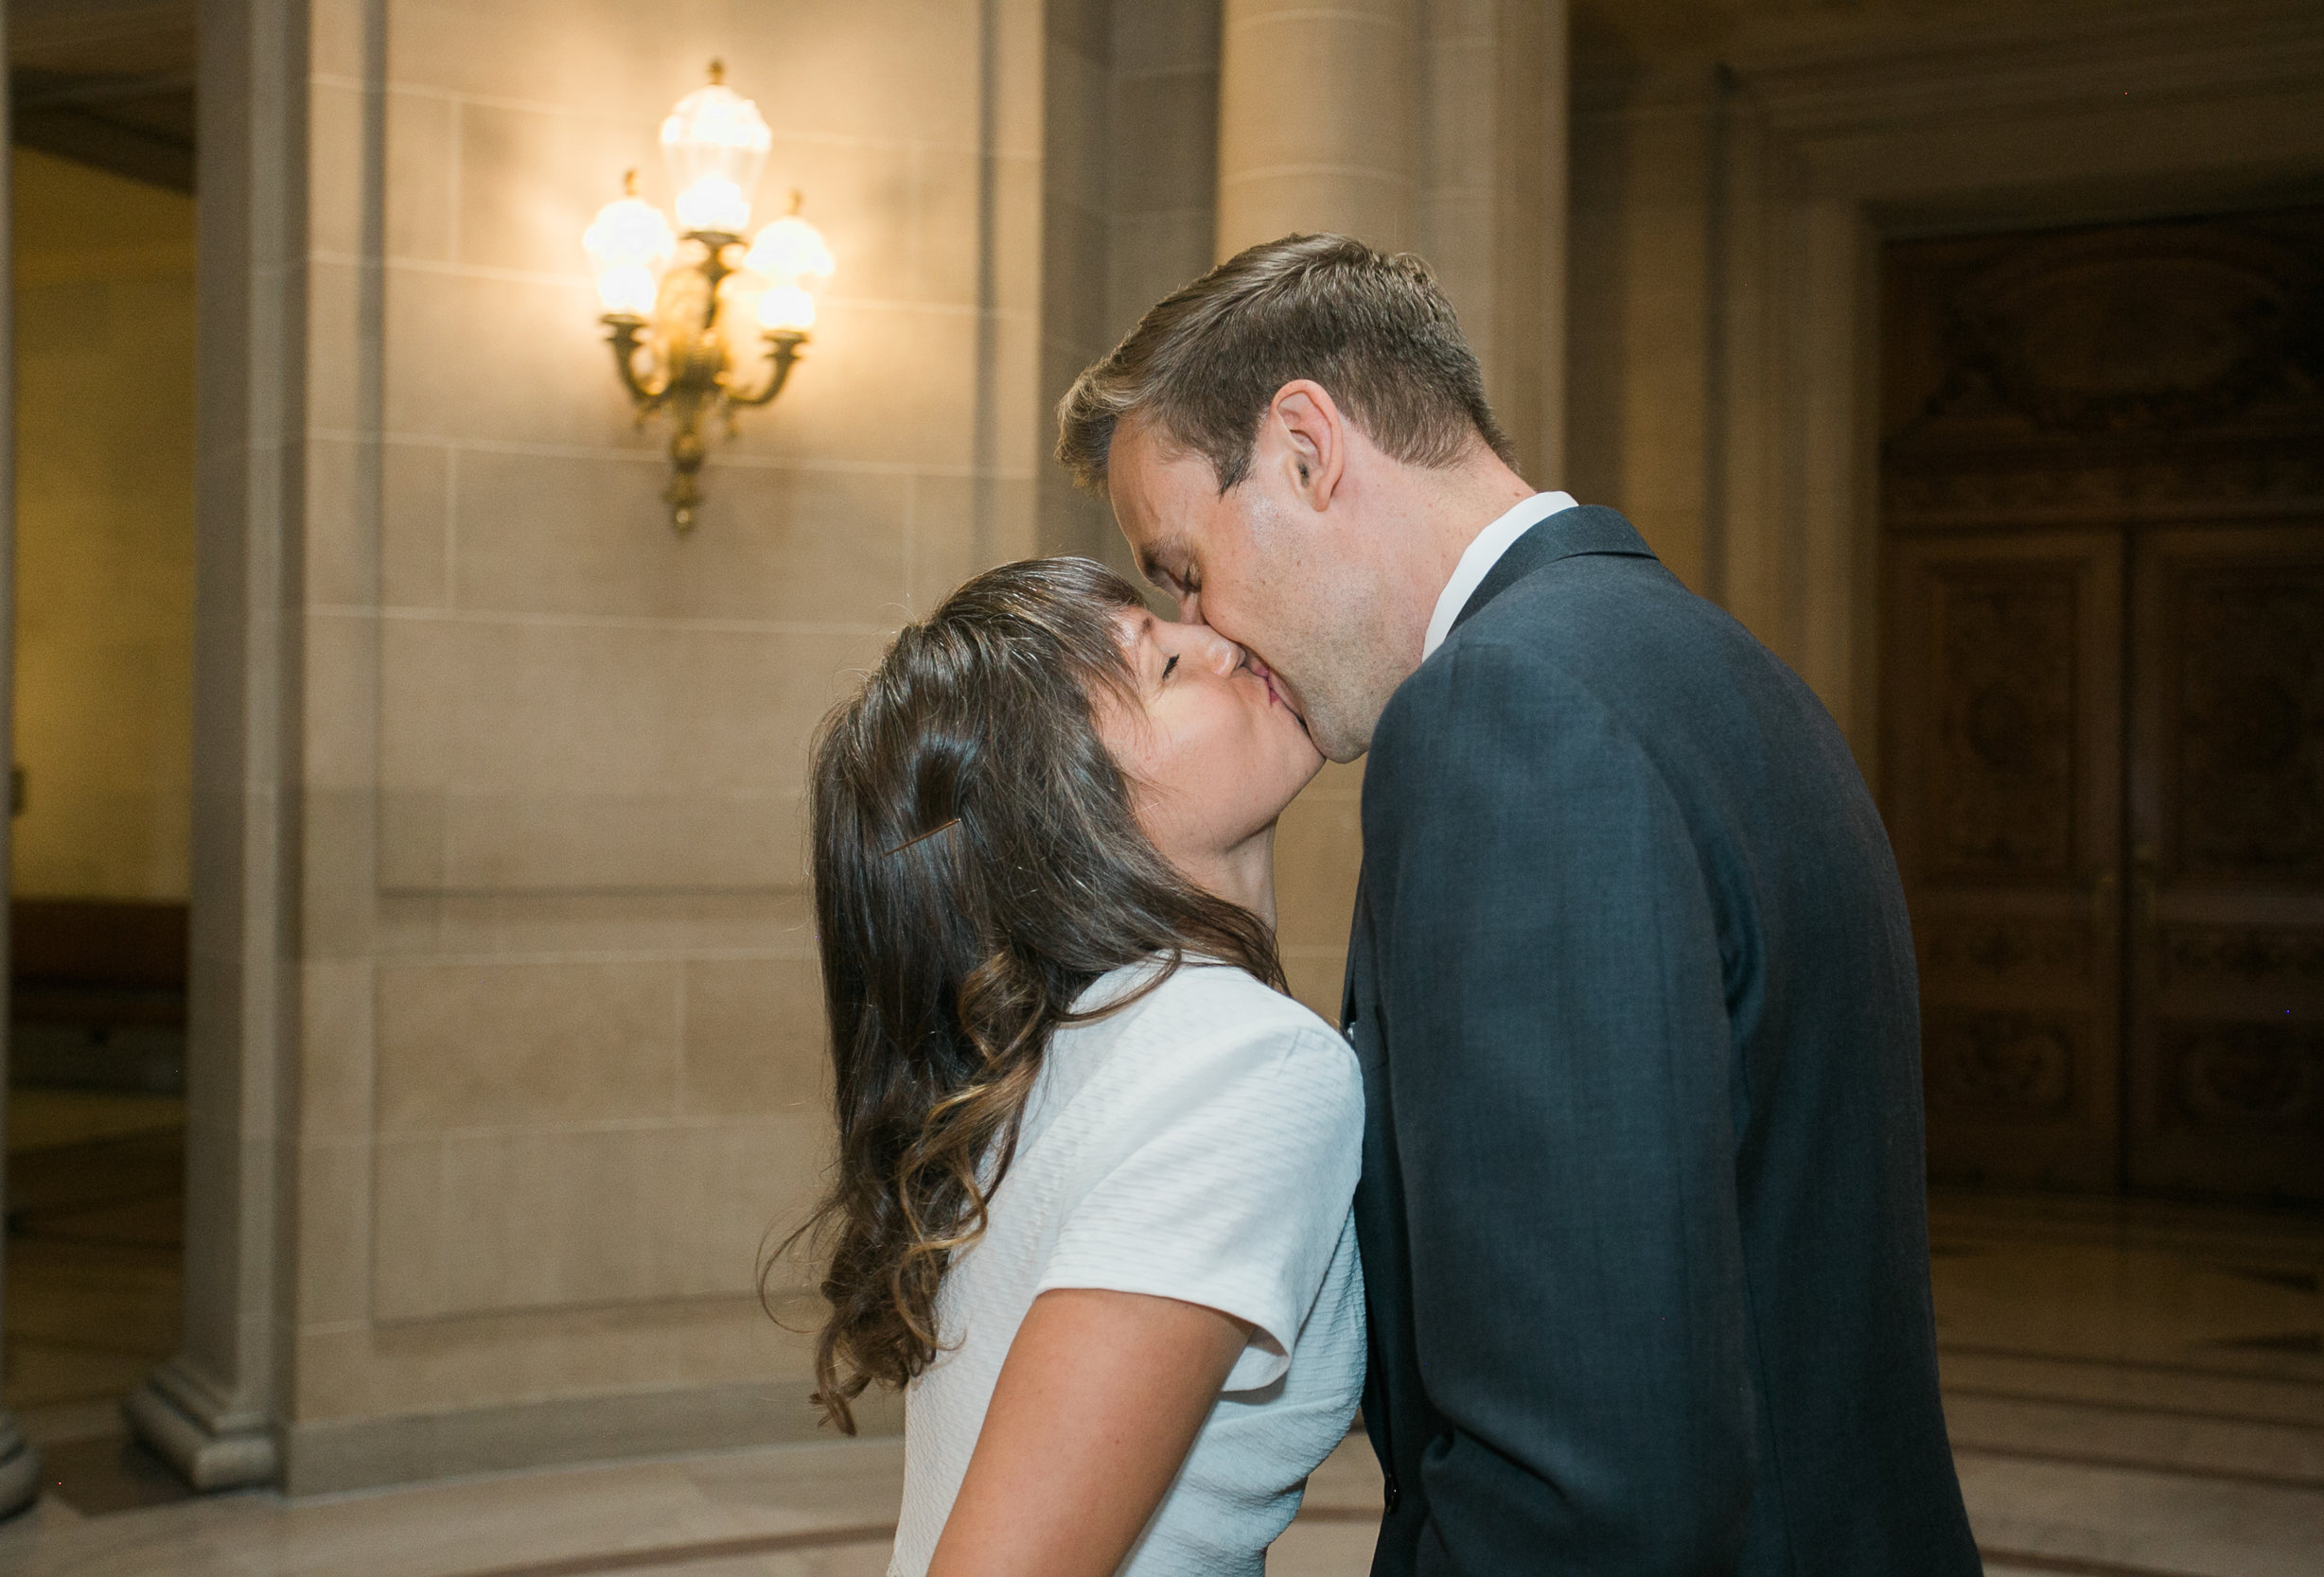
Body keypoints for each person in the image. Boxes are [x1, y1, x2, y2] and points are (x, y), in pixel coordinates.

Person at [1055, 233, 1982, 1574]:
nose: (1210, 632)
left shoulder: (1505, 713)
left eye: (1184, 567)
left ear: (1307, 449)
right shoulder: (1718, 665)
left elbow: (1585, 1483)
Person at [789, 557, 1364, 1577]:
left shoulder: (1067, 1043)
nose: (1226, 639)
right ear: (1075, 811)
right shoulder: (1243, 1066)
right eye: (1167, 665)